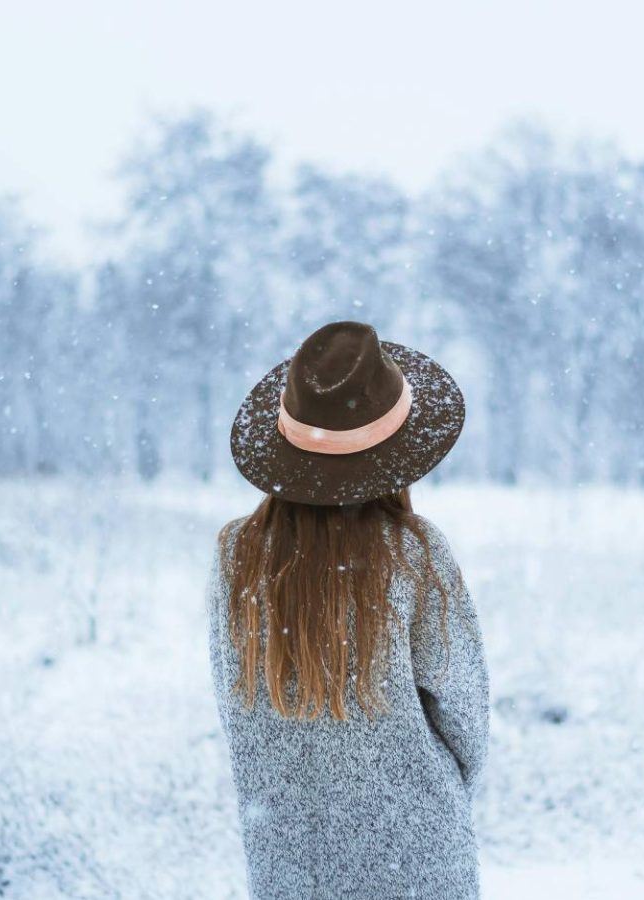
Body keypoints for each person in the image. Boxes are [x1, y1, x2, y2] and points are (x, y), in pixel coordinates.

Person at [207, 320, 490, 899]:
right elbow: (465, 714)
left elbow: (233, 700)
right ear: (398, 453)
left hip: (289, 859)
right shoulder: (416, 552)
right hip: (418, 858)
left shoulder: (236, 555)